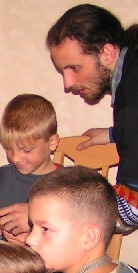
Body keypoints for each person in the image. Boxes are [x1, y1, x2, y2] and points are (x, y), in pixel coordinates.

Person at [46, 4, 138, 227]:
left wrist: (44, 215)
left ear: (107, 53)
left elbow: (131, 209)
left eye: (74, 68)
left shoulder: (132, 101)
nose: (68, 83)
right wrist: (115, 134)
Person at [0, 94, 60, 244]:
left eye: (26, 150)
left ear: (52, 143)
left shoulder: (69, 188)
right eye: (9, 148)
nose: (15, 158)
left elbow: (73, 244)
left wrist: (32, 240)